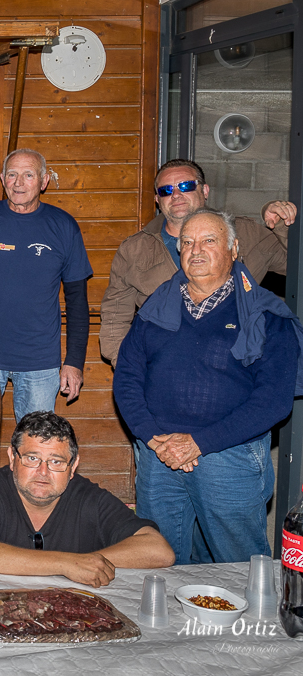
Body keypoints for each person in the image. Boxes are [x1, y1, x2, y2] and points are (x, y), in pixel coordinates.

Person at [114, 208, 303, 565]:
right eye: (186, 243)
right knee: (157, 563)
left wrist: (199, 443)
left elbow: (274, 401)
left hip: (228, 457)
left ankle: (251, 625)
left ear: (234, 250)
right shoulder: (157, 307)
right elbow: (126, 377)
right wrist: (153, 437)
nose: (195, 250)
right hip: (159, 454)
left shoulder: (264, 314)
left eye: (208, 241)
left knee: (238, 566)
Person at [0, 148, 93, 494]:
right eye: (12, 175)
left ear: (44, 181)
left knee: (37, 452)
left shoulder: (62, 226)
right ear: (1, 180)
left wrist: (73, 362)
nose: (19, 183)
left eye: (29, 175)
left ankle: (28, 526)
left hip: (40, 363)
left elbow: (78, 301)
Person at [99, 158, 295, 365]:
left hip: (239, 366)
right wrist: (130, 366)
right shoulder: (135, 249)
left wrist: (283, 226)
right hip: (167, 369)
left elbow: (294, 267)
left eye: (186, 186)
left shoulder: (247, 233)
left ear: (205, 191)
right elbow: (115, 317)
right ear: (157, 199)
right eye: (166, 190)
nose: (176, 195)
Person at [0, 411, 174, 587]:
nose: (43, 472)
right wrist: (66, 563)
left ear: (73, 466)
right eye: (32, 458)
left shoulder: (87, 496)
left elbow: (159, 550)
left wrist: (85, 563)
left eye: (56, 461)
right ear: (12, 458)